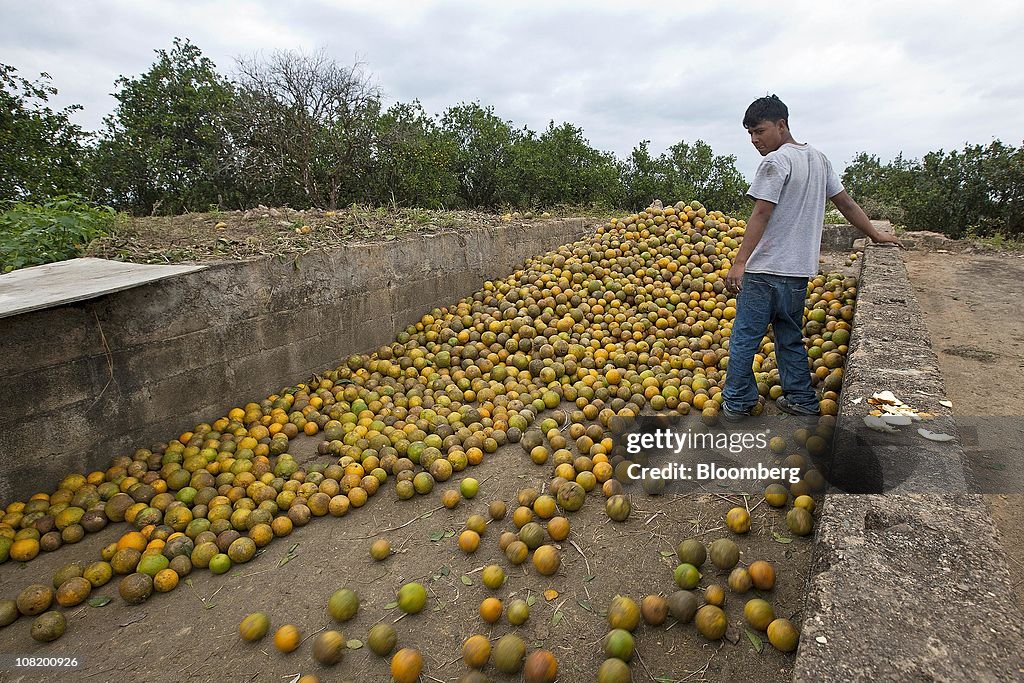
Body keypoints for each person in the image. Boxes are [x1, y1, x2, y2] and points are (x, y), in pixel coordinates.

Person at [721, 94, 901, 422]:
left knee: (744, 339)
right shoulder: (819, 159)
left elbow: (761, 212)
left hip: (764, 272)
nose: (755, 140)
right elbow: (845, 203)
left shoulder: (775, 162)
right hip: (797, 273)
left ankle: (737, 402)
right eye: (749, 134)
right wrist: (874, 234)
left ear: (782, 125)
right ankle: (802, 399)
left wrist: (739, 261)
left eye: (759, 131)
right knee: (790, 337)